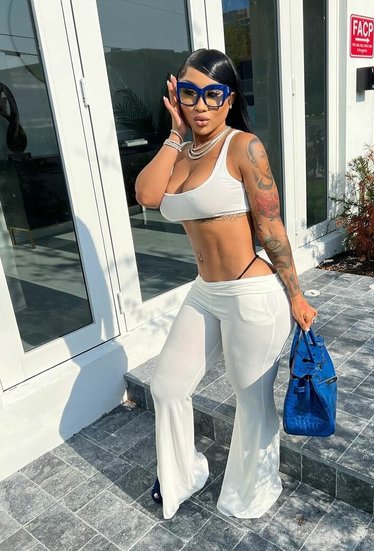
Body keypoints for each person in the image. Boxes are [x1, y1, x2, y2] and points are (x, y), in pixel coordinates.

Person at [135, 48, 317, 520]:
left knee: (250, 398)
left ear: (229, 98)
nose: (201, 105)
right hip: (205, 291)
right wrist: (174, 133)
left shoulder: (243, 148)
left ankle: (253, 489)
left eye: (212, 94)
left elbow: (272, 229)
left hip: (252, 294)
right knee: (167, 386)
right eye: (189, 93)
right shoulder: (180, 152)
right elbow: (147, 194)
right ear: (176, 96)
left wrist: (297, 295)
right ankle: (183, 474)